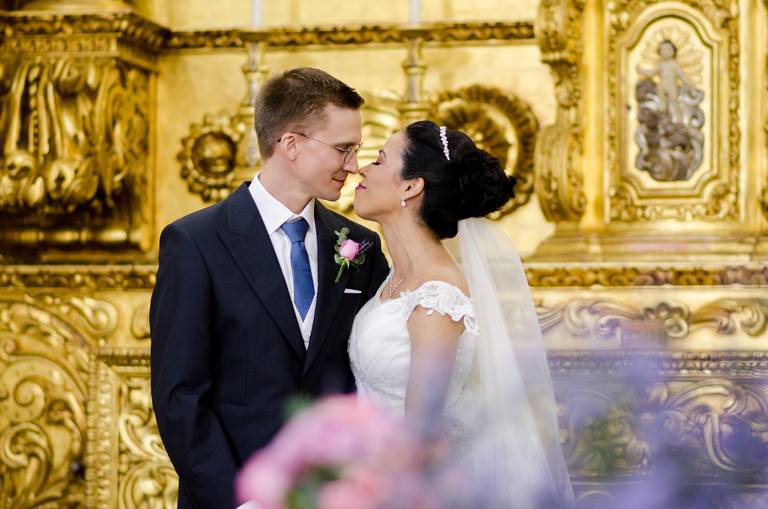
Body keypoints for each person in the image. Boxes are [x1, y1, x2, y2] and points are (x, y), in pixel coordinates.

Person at [150, 67, 390, 509]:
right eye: (343, 149)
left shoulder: (359, 245)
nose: (353, 166)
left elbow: (367, 379)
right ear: (291, 144)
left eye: (355, 151)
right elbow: (179, 395)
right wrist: (241, 501)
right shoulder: (195, 243)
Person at [348, 121, 573, 507]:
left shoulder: (438, 294)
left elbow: (421, 433)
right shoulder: (397, 278)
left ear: (410, 185)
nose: (361, 168)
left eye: (380, 159)